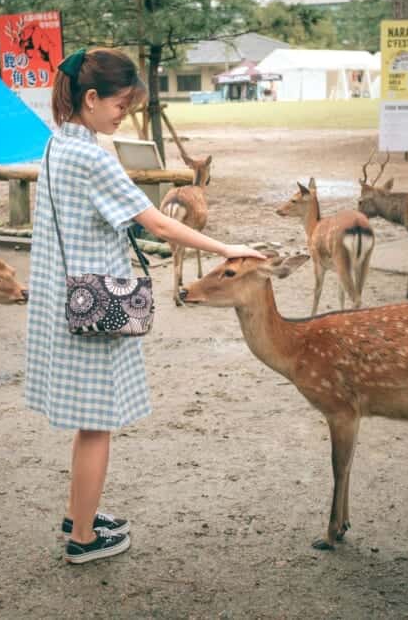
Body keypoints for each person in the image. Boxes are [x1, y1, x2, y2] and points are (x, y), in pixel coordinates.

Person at [24, 47, 265, 565]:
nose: (123, 116)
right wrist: (225, 249)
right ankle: (83, 540)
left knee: (89, 420)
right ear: (91, 98)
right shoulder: (90, 156)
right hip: (94, 308)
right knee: (98, 424)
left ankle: (78, 513)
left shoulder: (55, 146)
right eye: (119, 105)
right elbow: (154, 222)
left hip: (66, 298)